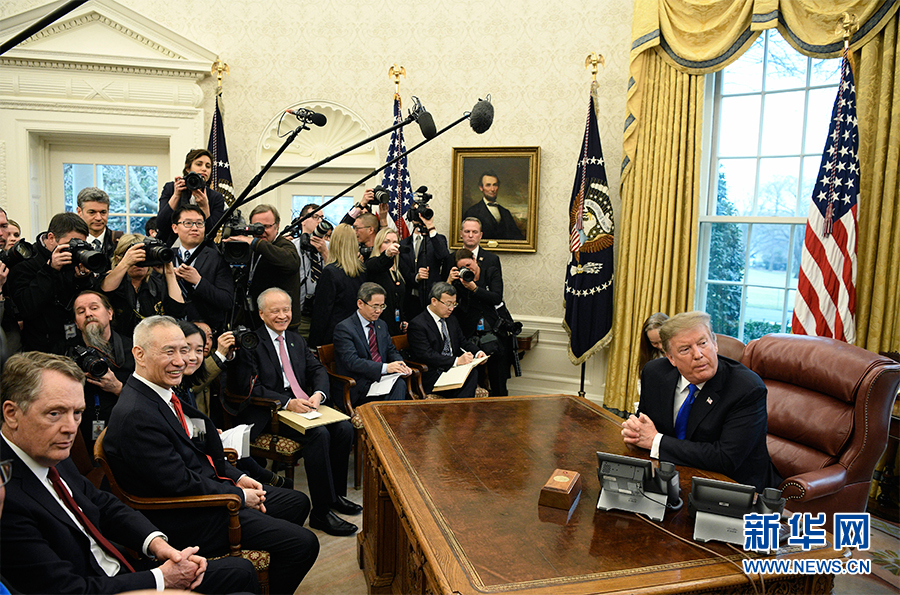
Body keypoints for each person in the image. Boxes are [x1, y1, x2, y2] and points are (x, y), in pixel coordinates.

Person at [0, 351, 258, 595]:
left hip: (124, 568)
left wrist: (157, 545)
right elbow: (68, 590)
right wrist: (161, 579)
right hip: (101, 587)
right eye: (54, 413)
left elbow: (101, 504)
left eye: (77, 413)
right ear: (11, 414)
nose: (70, 428)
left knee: (242, 571)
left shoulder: (47, 450)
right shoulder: (6, 495)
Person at [103, 315, 319, 594]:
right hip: (189, 515)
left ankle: (266, 572)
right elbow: (179, 483)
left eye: (183, 350)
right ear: (139, 354)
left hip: (209, 491)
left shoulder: (160, 393)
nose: (181, 361)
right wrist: (238, 496)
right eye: (169, 352)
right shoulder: (136, 414)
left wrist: (237, 477)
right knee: (303, 544)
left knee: (297, 502)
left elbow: (200, 451)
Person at [227, 288, 360, 537]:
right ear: (261, 314)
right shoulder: (251, 343)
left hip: (305, 406)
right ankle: (321, 512)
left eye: (286, 310)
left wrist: (318, 394)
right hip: (271, 412)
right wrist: (287, 403)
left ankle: (335, 496)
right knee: (319, 435)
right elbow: (250, 388)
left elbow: (317, 370)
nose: (282, 316)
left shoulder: (295, 339)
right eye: (275, 311)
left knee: (344, 428)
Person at [621, 311, 782, 493]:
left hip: (732, 488)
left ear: (715, 343)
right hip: (670, 476)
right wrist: (635, 430)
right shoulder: (655, 373)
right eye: (685, 349)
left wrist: (656, 441)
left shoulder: (746, 388)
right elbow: (643, 426)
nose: (698, 355)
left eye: (703, 343)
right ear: (671, 358)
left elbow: (725, 458)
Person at [176, 320, 290, 489]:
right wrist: (220, 355)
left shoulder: (195, 371)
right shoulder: (179, 381)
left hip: (207, 431)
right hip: (196, 456)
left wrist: (230, 356)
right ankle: (266, 479)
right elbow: (198, 383)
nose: (193, 356)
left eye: (208, 338)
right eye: (186, 348)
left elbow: (237, 387)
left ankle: (263, 479)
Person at [7, 213, 97, 354]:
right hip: (40, 348)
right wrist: (50, 270)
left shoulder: (75, 259)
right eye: (70, 244)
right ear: (51, 238)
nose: (75, 249)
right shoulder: (26, 261)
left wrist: (82, 279)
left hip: (75, 342)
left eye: (80, 244)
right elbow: (25, 307)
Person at [69, 290, 135, 452]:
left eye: (94, 308)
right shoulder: (67, 353)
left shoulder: (134, 350)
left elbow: (150, 400)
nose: (88, 314)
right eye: (81, 311)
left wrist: (118, 388)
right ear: (76, 323)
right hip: (81, 438)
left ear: (110, 313)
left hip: (128, 432)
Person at [333, 282, 413, 408]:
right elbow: (352, 361)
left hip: (382, 380)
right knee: (397, 391)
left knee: (399, 384)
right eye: (375, 306)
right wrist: (386, 368)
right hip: (358, 386)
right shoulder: (344, 328)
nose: (379, 311)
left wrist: (401, 365)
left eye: (382, 306)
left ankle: (389, 420)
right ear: (360, 303)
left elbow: (390, 350)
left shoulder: (381, 324)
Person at [223, 204, 301, 331]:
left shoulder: (284, 245)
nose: (261, 231)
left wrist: (255, 243)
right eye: (256, 227)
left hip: (281, 324)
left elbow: (291, 263)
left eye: (266, 226)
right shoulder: (249, 248)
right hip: (255, 320)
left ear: (277, 226)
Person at [447, 248, 508, 395]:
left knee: (498, 376)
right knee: (476, 377)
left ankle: (500, 401)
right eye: (463, 267)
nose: (468, 269)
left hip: (493, 331)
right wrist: (449, 281)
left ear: (475, 259)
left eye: (469, 265)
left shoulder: (490, 272)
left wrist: (475, 289)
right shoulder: (459, 281)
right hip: (470, 332)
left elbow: (496, 298)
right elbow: (446, 300)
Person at [406, 282, 484, 398]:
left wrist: (477, 352)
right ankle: (462, 408)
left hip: (451, 369)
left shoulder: (451, 319)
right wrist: (456, 361)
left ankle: (460, 408)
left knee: (472, 374)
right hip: (433, 374)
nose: (451, 308)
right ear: (434, 301)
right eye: (448, 304)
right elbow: (427, 355)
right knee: (468, 382)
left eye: (454, 304)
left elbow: (462, 341)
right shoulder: (418, 324)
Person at [100, 234, 186, 337]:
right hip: (117, 341)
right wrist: (125, 263)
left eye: (144, 255)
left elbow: (178, 311)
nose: (139, 261)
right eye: (135, 256)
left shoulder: (158, 285)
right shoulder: (112, 282)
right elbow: (104, 292)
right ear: (119, 259)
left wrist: (170, 273)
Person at [171, 205, 234, 333]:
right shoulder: (167, 257)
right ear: (175, 228)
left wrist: (198, 281)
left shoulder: (217, 258)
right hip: (171, 328)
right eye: (188, 223)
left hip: (207, 331)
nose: (194, 228)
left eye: (199, 223)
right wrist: (169, 277)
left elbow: (227, 301)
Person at [309, 223, 365, 348]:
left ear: (334, 243)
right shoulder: (362, 270)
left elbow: (322, 312)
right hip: (356, 334)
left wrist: (314, 344)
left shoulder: (330, 272)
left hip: (333, 336)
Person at [155, 149, 226, 246]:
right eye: (199, 164)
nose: (204, 169)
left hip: (202, 249)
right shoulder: (171, 188)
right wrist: (176, 196)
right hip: (169, 246)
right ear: (188, 168)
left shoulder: (216, 197)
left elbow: (211, 234)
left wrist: (205, 207)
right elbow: (161, 225)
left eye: (208, 166)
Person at [288, 203, 329, 338]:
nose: (319, 221)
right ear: (303, 220)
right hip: (299, 313)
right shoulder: (291, 247)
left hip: (324, 313)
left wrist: (324, 252)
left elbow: (338, 274)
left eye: (322, 218)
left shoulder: (329, 247)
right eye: (315, 217)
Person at [401, 211, 449, 320]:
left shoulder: (437, 239)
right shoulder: (403, 244)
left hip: (432, 296)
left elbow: (443, 255)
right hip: (411, 300)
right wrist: (416, 277)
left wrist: (430, 226)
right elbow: (403, 271)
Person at [366, 228, 410, 336]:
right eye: (386, 242)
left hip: (396, 325)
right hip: (378, 325)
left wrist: (403, 319)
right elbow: (379, 264)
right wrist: (387, 254)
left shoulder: (398, 268)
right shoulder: (372, 264)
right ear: (379, 244)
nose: (391, 245)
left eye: (395, 242)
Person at [461, 171, 524, 240]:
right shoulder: (472, 212)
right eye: (488, 185)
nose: (492, 189)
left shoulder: (506, 213)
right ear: (481, 188)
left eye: (495, 185)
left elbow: (518, 238)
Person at [75, 187, 122, 262]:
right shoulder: (72, 243)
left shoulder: (120, 242)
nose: (98, 218)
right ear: (79, 212)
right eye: (92, 212)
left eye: (103, 212)